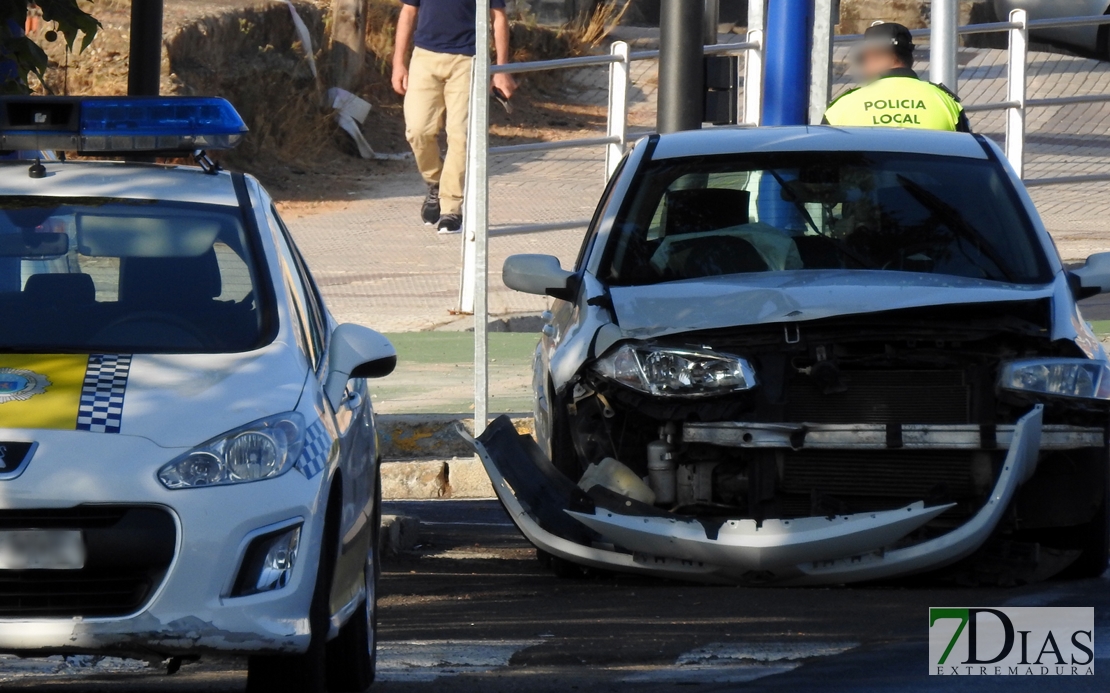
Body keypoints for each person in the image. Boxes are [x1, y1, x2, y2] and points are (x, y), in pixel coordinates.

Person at [392, 0, 517, 234]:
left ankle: (452, 208)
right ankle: (435, 183)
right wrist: (398, 63)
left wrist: (501, 69)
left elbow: (498, 16)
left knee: (460, 135)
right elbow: (408, 12)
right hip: (425, 57)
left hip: (468, 60)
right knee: (418, 130)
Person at [823, 21, 970, 133]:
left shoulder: (843, 108)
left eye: (862, 59)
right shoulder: (946, 104)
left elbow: (820, 165)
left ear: (872, 57)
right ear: (910, 59)